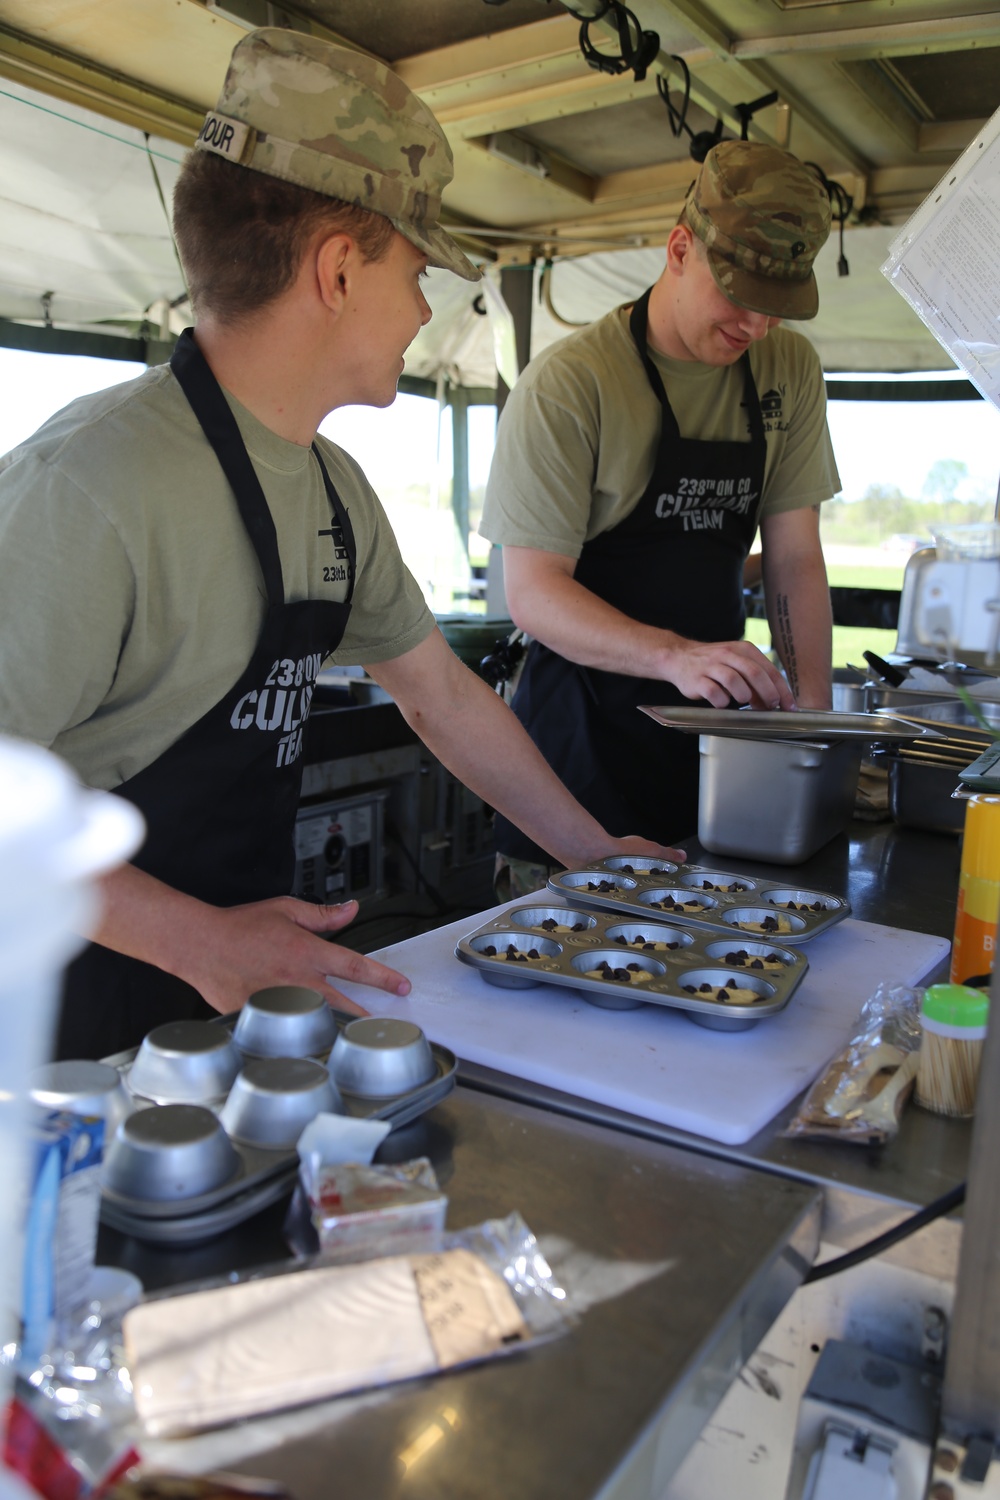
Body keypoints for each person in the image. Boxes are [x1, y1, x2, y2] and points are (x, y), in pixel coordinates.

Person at [0, 28, 680, 1061]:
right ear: (335, 271)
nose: (420, 308)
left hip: (223, 1016)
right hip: (55, 1042)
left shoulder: (331, 489)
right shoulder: (90, 485)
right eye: (415, 271)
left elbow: (441, 696)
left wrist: (595, 857)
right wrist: (198, 941)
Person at [481, 140, 840, 898]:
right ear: (681, 249)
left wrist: (811, 727)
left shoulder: (788, 370)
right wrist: (675, 656)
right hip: (577, 761)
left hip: (710, 764)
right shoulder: (570, 386)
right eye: (739, 294)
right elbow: (534, 593)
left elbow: (794, 559)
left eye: (777, 305)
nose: (757, 324)